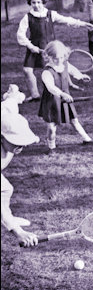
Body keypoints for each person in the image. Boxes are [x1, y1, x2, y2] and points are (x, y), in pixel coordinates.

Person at [17, 0, 93, 102]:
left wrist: (82, 23)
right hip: (34, 46)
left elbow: (66, 20)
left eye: (39, 2)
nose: (36, 5)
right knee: (27, 70)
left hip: (50, 46)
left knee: (57, 67)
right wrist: (31, 47)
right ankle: (35, 95)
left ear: (43, 2)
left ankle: (62, 89)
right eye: (34, 2)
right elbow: (20, 35)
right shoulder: (27, 17)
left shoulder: (50, 14)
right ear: (30, 3)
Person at [38, 40, 93, 153]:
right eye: (55, 58)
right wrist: (62, 94)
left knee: (74, 120)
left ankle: (87, 139)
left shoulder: (64, 64)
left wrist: (80, 76)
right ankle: (51, 147)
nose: (59, 60)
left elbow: (72, 70)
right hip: (52, 101)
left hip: (65, 97)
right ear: (48, 56)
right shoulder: (47, 72)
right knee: (52, 126)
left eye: (61, 57)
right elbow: (50, 87)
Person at [1, 85, 40, 247]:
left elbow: (9, 104)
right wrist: (18, 232)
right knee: (4, 189)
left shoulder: (6, 117)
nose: (21, 148)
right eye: (16, 143)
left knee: (6, 189)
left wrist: (15, 95)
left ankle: (7, 217)